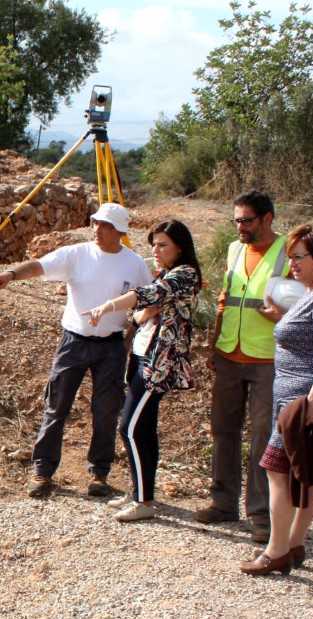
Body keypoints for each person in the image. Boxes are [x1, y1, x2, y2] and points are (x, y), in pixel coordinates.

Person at [0, 202, 152, 499]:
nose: (96, 229)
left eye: (103, 225)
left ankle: (99, 474)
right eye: (95, 223)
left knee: (106, 411)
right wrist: (11, 274)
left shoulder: (135, 264)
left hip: (112, 346)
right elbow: (40, 265)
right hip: (74, 342)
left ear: (118, 231)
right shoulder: (77, 254)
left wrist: (133, 333)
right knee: (57, 406)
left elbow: (148, 299)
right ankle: (42, 471)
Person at [240, 223, 313, 575]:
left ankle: (277, 551)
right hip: (297, 398)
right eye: (290, 257)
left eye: (300, 257)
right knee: (305, 473)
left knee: (277, 469)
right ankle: (293, 545)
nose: (292, 264)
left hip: (304, 401)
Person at [84, 220, 202, 521]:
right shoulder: (166, 275)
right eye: (153, 244)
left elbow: (145, 296)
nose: (156, 250)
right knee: (144, 429)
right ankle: (140, 491)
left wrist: (106, 307)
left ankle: (143, 501)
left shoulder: (185, 274)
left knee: (130, 428)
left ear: (180, 246)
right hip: (142, 356)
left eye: (162, 244)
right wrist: (136, 318)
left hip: (158, 364)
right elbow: (146, 309)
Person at [194, 191, 290, 542]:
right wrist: (214, 344)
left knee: (263, 437)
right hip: (229, 353)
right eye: (236, 220)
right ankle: (223, 503)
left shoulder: (287, 252)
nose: (240, 227)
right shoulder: (235, 250)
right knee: (223, 430)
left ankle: (261, 516)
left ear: (268, 218)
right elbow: (225, 299)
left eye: (246, 220)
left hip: (269, 357)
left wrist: (284, 314)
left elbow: (305, 301)